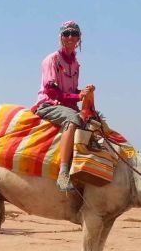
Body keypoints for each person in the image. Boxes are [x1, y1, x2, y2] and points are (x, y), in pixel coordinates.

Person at [30, 20, 95, 190]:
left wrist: (84, 93)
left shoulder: (75, 64)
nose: (71, 37)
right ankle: (63, 173)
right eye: (67, 34)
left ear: (79, 39)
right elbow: (52, 92)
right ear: (61, 37)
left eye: (74, 34)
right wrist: (77, 95)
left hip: (66, 105)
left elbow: (72, 92)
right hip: (48, 104)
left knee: (93, 121)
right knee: (73, 120)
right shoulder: (51, 60)